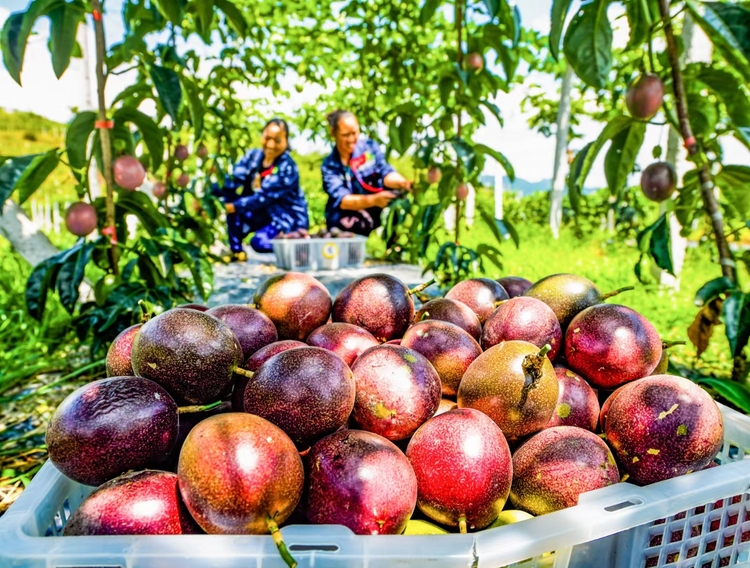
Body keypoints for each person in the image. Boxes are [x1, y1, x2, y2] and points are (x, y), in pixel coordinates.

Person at [220, 119, 309, 261]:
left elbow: (264, 197)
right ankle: (236, 251)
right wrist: (210, 196)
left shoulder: (287, 166)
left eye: (277, 140)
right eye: (267, 138)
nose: (271, 144)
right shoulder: (253, 157)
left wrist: (232, 207)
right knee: (229, 198)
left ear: (286, 141)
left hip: (284, 219)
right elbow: (232, 180)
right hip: (261, 213)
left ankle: (294, 243)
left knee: (259, 242)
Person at [321, 110, 412, 236]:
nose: (351, 139)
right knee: (349, 226)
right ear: (333, 133)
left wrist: (403, 183)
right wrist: (374, 200)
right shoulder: (330, 165)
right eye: (345, 135)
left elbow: (385, 173)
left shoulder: (370, 148)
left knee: (397, 207)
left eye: (354, 133)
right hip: (347, 218)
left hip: (376, 214)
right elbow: (343, 200)